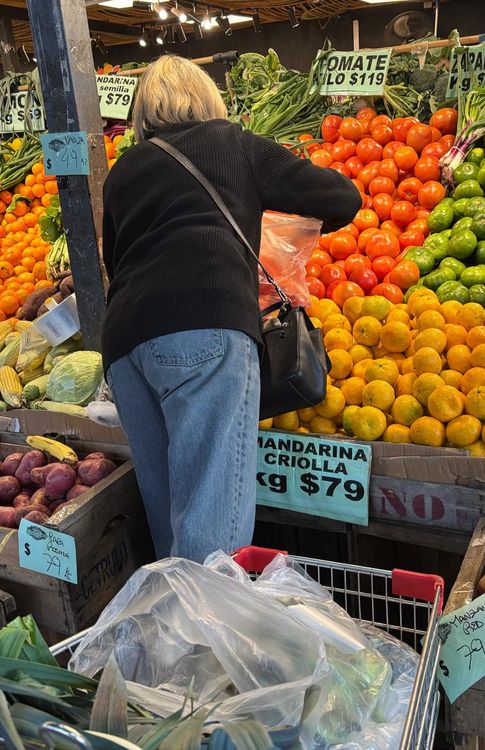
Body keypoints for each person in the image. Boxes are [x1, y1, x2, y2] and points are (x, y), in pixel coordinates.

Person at [101, 54, 361, 562]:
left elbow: (116, 259)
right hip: (206, 329)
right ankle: (211, 636)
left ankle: (177, 629)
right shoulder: (233, 144)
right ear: (206, 99)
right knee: (213, 519)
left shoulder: (123, 170)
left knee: (169, 509)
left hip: (125, 347)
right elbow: (342, 197)